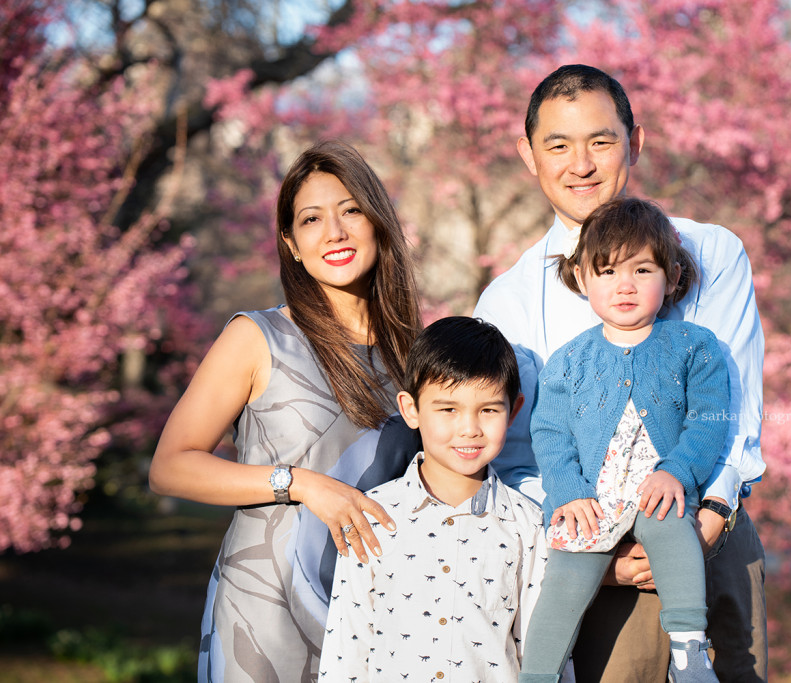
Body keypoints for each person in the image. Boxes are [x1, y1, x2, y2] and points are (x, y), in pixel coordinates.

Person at [474, 65, 767, 682]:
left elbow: (732, 408)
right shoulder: (509, 302)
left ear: (636, 141)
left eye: (601, 141)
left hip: (714, 526)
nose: (580, 163)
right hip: (592, 558)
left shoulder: (711, 252)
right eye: (558, 145)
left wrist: (709, 518)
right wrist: (598, 550)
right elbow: (516, 456)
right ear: (528, 155)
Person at [149, 139, 423, 682]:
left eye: (351, 211)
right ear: (291, 244)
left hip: (376, 616)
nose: (335, 232)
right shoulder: (258, 337)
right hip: (264, 616)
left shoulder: (416, 354)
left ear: (378, 223)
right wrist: (299, 482)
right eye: (311, 219)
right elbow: (170, 466)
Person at [519, 197, 729, 683]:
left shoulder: (694, 347)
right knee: (564, 581)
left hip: (660, 491)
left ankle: (689, 653)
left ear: (672, 278)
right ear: (582, 279)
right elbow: (550, 435)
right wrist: (568, 491)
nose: (625, 285)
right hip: (593, 498)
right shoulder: (569, 361)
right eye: (608, 270)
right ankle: (538, 675)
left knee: (677, 538)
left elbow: (708, 422)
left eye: (643, 269)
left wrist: (678, 471)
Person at [319, 316, 552, 682]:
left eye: (489, 410)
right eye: (448, 409)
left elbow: (542, 652)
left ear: (514, 411)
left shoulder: (528, 526)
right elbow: (347, 647)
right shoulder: (372, 517)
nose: (470, 428)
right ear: (411, 409)